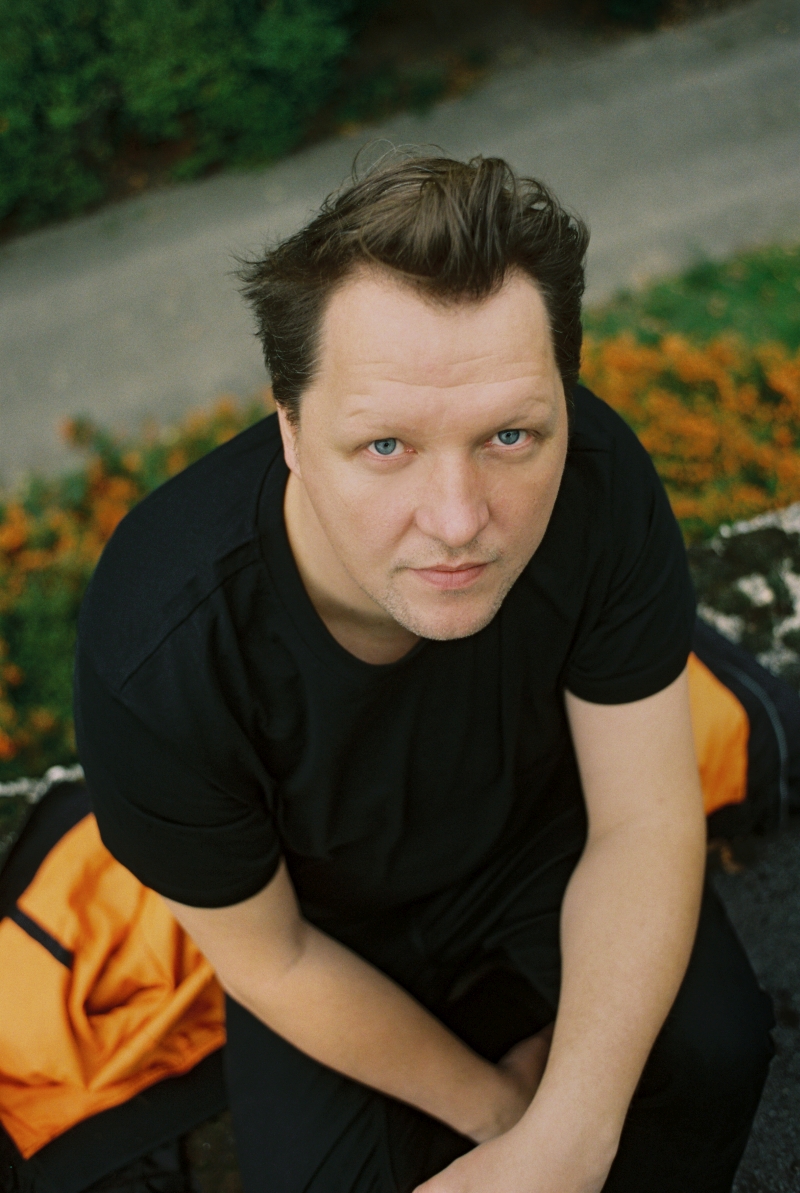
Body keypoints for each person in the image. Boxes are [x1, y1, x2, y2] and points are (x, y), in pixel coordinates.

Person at [74, 154, 774, 1193]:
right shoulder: (159, 646)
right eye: (386, 446)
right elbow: (271, 956)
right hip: (327, 927)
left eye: (509, 434)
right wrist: (504, 1117)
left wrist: (571, 1137)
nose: (456, 520)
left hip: (542, 842)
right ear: (289, 428)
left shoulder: (598, 480)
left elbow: (642, 820)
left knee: (716, 1051)